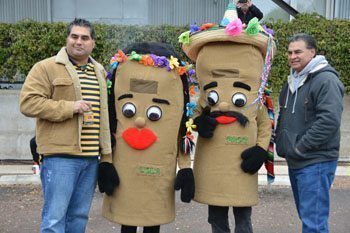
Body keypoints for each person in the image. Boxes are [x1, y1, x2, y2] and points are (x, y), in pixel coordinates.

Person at [181, 3, 276, 233]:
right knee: (216, 218)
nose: (223, 105)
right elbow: (188, 120)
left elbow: (264, 124)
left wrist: (260, 149)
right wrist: (197, 122)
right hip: (214, 168)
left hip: (242, 166)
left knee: (243, 218)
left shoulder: (255, 100)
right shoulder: (204, 99)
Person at [19, 18, 117, 233]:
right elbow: (28, 103)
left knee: (79, 217)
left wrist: (106, 155)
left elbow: (104, 115)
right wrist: (69, 107)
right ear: (67, 39)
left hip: (91, 159)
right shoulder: (46, 67)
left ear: (92, 43)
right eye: (74, 36)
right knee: (55, 219)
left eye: (84, 37)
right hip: (60, 157)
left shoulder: (99, 71)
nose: (78, 42)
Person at [99, 42, 196, 233]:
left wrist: (185, 168)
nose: (141, 121)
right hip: (125, 169)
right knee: (127, 221)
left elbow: (181, 128)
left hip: (158, 170)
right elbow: (109, 123)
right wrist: (106, 162)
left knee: (153, 220)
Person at [275, 33, 344, 233]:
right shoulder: (292, 81)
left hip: (316, 161)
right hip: (297, 160)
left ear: (312, 52)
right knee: (308, 217)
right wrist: (282, 144)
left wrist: (299, 146)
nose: (292, 56)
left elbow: (329, 121)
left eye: (298, 51)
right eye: (289, 52)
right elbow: (284, 115)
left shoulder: (326, 80)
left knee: (314, 223)